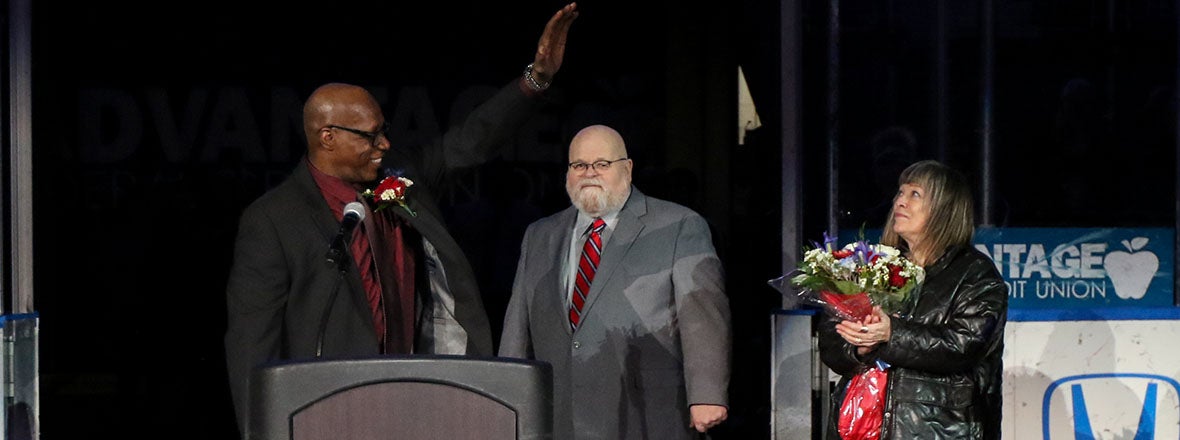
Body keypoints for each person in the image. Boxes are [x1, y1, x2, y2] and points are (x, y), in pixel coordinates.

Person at [223, 3, 578, 435]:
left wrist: (535, 80)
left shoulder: (401, 179)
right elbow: (251, 345)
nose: (384, 143)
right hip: (329, 413)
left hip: (418, 399)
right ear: (327, 137)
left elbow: (472, 140)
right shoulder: (273, 221)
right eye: (370, 135)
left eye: (384, 130)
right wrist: (261, 430)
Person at [499, 124, 731, 439]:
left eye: (602, 164)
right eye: (579, 165)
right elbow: (517, 325)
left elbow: (701, 314)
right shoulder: (540, 234)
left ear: (627, 169)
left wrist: (707, 393)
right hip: (559, 415)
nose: (589, 173)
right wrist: (504, 395)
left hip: (646, 412)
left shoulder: (679, 225)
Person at [818, 159, 1008, 439]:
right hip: (860, 425)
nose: (900, 202)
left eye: (914, 194)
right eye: (900, 192)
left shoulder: (975, 274)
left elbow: (962, 345)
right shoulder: (874, 265)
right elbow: (830, 341)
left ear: (944, 209)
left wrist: (890, 334)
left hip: (938, 429)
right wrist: (860, 347)